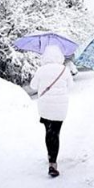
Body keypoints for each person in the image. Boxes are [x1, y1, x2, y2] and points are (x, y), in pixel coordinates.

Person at [30, 45, 73, 177]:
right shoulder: (64, 70)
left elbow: (32, 86)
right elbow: (70, 86)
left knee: (49, 132)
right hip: (60, 107)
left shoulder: (41, 70)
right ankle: (53, 162)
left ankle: (51, 158)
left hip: (45, 107)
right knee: (56, 132)